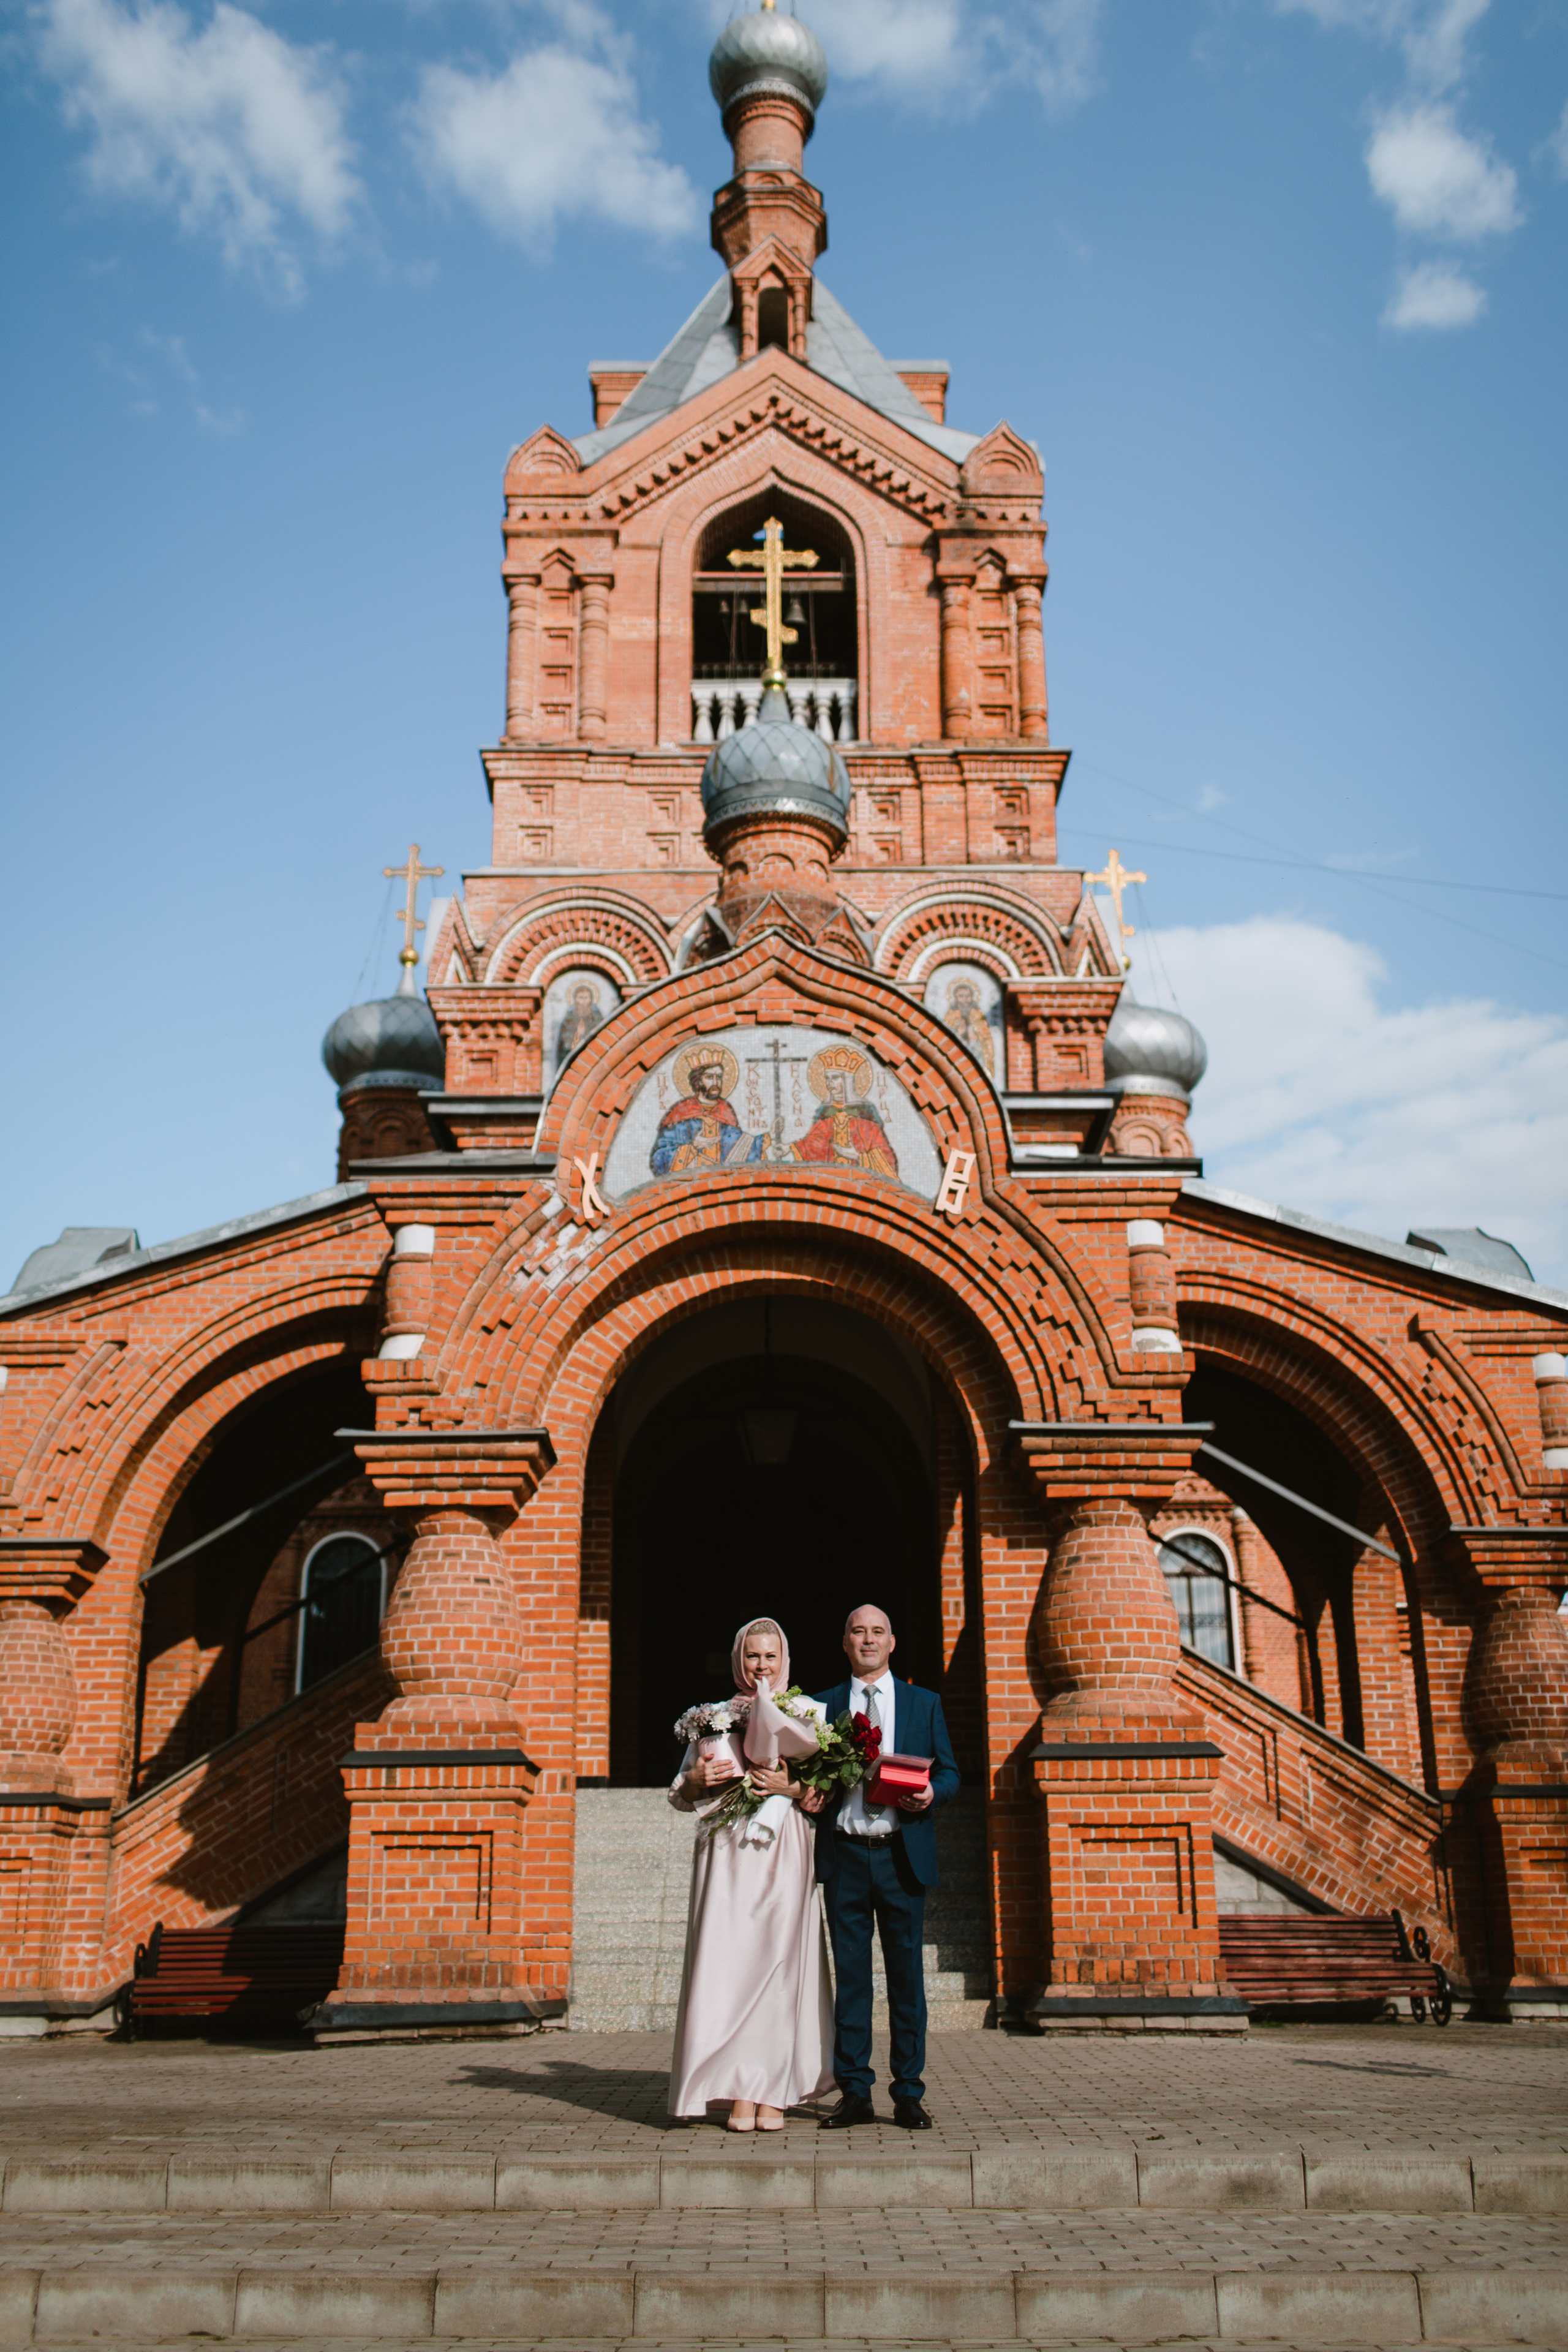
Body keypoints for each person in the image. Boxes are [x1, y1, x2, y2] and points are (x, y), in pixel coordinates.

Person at [667, 1617, 834, 2131]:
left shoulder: (810, 1714)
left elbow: (823, 1796)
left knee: (779, 1964)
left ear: (785, 1660)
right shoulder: (713, 1717)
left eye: (770, 1656)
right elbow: (680, 1794)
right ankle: (736, 2085)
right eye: (752, 1656)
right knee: (731, 1963)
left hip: (783, 1849)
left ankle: (774, 2088)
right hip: (726, 1852)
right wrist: (696, 1779)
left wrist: (788, 1787)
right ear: (739, 1659)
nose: (761, 1665)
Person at [810, 1603, 960, 2131]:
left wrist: (930, 1793)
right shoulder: (822, 1707)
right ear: (845, 1641)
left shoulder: (924, 1704)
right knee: (851, 1982)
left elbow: (951, 1772)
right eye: (858, 1631)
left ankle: (909, 2093)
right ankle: (855, 2092)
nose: (868, 1640)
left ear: (892, 1642)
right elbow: (806, 1774)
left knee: (906, 1981)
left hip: (901, 1855)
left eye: (877, 1632)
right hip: (846, 1854)